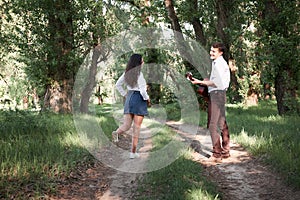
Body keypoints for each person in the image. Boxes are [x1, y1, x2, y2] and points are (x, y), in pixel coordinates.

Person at [191, 42, 230, 163]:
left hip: (217, 94)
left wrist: (199, 82)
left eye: (214, 51)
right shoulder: (219, 63)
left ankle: (217, 155)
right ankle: (225, 151)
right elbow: (216, 80)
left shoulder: (219, 64)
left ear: (220, 52)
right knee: (221, 122)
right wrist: (207, 80)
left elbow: (215, 83)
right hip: (220, 94)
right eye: (211, 50)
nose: (211, 53)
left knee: (213, 125)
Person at [112, 54, 151, 159]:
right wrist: (147, 99)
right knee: (136, 128)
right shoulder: (140, 75)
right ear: (138, 63)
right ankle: (133, 153)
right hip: (138, 99)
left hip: (129, 98)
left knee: (126, 125)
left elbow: (118, 85)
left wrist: (125, 95)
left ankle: (116, 132)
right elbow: (142, 91)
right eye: (142, 61)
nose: (143, 63)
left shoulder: (126, 73)